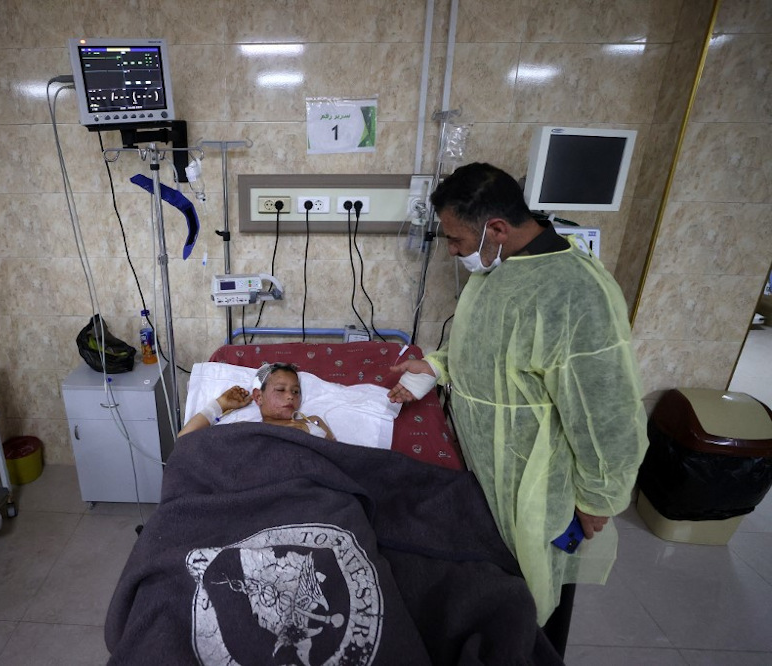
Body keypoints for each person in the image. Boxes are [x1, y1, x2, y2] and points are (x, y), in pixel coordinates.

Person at [388, 162, 648, 656]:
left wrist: (598, 499)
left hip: (536, 486)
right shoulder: (501, 269)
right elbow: (487, 349)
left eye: (456, 239)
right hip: (489, 471)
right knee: (500, 596)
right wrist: (433, 368)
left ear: (497, 228)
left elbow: (607, 410)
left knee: (534, 606)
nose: (453, 250)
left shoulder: (574, 294)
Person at [179, 362, 335, 440]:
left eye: (296, 391)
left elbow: (340, 458)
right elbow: (185, 440)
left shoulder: (313, 423)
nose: (290, 396)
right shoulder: (245, 428)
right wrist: (220, 405)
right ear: (259, 397)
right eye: (281, 389)